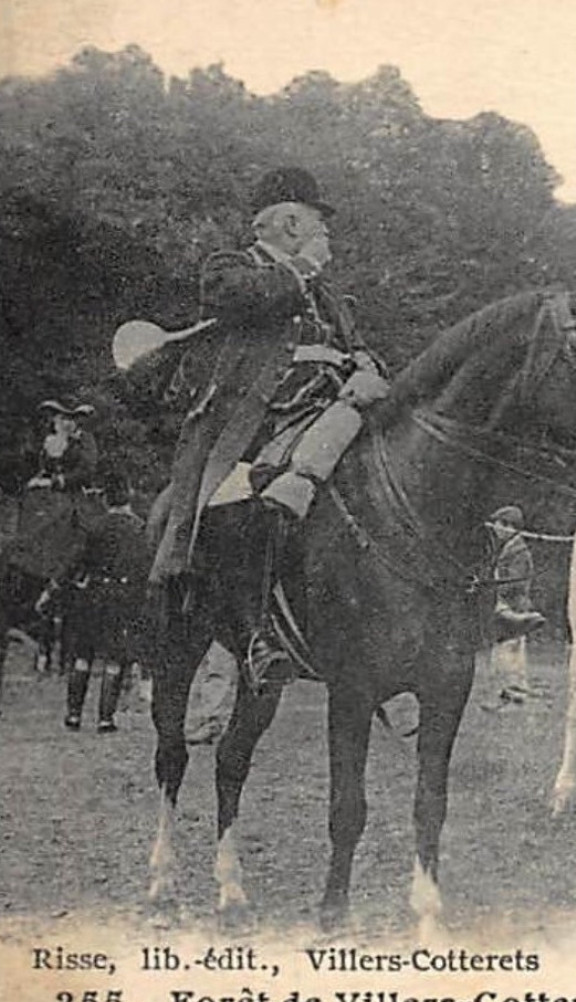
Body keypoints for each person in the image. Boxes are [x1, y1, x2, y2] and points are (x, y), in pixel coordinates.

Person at [145, 167, 390, 692]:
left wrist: (370, 370)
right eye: (321, 223)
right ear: (291, 222)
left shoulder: (328, 294)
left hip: (333, 410)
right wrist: (302, 269)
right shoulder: (231, 268)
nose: (328, 235)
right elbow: (246, 296)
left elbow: (357, 345)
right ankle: (258, 637)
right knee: (246, 505)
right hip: (258, 418)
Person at [58, 474, 147, 732]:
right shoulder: (138, 528)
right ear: (129, 495)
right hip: (122, 598)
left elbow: (75, 561)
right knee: (114, 660)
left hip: (92, 594)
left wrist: (56, 587)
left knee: (83, 656)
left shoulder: (95, 526)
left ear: (106, 498)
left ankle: (73, 715)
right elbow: (143, 568)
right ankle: (105, 719)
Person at [485, 505, 538, 707]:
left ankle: (511, 695)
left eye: (498, 525)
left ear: (509, 526)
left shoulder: (518, 551)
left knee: (509, 652)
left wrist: (493, 586)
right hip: (508, 605)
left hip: (514, 606)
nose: (496, 530)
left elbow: (517, 581)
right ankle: (511, 694)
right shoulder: (510, 548)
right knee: (506, 652)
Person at [29, 400, 100, 492]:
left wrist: (62, 480)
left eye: (67, 417)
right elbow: (46, 466)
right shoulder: (52, 440)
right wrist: (39, 479)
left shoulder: (84, 440)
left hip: (76, 492)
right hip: (50, 492)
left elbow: (86, 470)